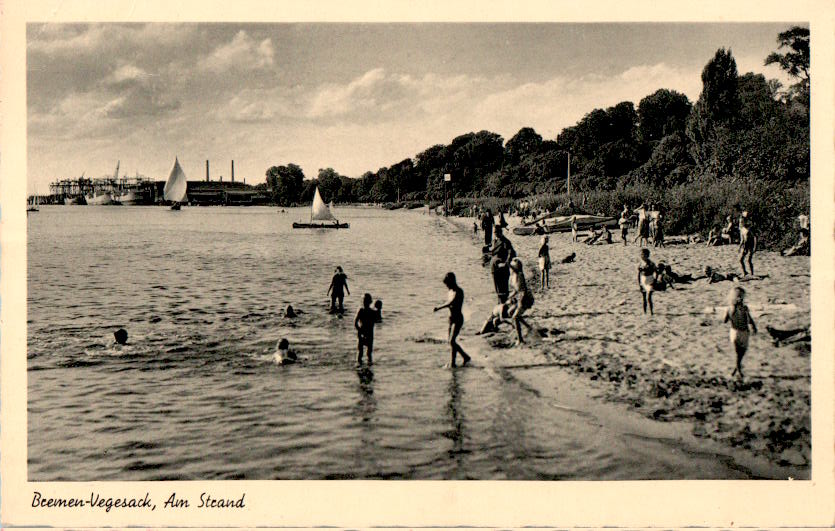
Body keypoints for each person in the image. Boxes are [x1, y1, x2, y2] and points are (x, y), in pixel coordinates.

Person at [433, 272, 471, 367]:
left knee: (451, 341)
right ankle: (453, 362)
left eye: (447, 284)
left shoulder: (459, 291)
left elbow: (451, 302)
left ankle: (465, 356)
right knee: (451, 342)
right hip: (451, 318)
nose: (447, 286)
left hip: (458, 319)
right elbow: (449, 302)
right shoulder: (450, 291)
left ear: (452, 282)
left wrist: (438, 307)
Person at [723, 286, 757, 380]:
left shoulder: (730, 309)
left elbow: (725, 320)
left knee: (738, 353)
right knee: (741, 353)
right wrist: (754, 327)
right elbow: (749, 319)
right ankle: (739, 371)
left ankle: (735, 370)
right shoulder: (744, 308)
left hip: (734, 331)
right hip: (743, 332)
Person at [507, 258, 534, 344]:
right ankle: (528, 327)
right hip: (520, 297)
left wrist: (508, 263)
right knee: (510, 312)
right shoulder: (513, 277)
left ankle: (520, 339)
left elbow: (519, 289)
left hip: (525, 297)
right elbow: (515, 290)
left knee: (515, 317)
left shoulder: (519, 274)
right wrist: (508, 297)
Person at [490, 225, 514, 303]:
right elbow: (492, 253)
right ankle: (500, 303)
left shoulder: (505, 242)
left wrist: (506, 263)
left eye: (496, 232)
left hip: (502, 268)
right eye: (494, 232)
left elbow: (511, 253)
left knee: (503, 287)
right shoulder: (494, 241)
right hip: (494, 267)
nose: (495, 234)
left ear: (501, 232)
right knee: (496, 286)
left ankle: (503, 305)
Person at [354, 293, 377, 365]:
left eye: (366, 301)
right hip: (361, 334)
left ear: (370, 302)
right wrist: (359, 330)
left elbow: (377, 321)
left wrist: (378, 311)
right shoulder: (361, 310)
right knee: (360, 352)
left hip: (370, 334)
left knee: (369, 353)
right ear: (362, 302)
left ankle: (369, 367)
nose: (365, 303)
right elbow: (355, 322)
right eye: (364, 301)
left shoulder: (373, 312)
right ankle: (359, 366)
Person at [637, 248, 656, 315]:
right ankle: (645, 312)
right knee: (644, 298)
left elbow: (655, 272)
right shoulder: (640, 264)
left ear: (648, 256)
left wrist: (655, 281)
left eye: (644, 255)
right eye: (641, 255)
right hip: (643, 280)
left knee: (649, 298)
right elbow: (639, 274)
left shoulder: (651, 264)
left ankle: (651, 312)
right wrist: (639, 284)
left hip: (650, 280)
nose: (643, 256)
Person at [738, 211, 757, 276]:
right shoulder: (742, 229)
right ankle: (744, 272)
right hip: (745, 246)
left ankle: (752, 273)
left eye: (742, 222)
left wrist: (755, 247)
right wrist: (739, 247)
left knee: (749, 260)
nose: (741, 223)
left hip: (750, 245)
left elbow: (755, 237)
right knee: (740, 260)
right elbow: (742, 240)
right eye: (740, 222)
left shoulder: (749, 228)